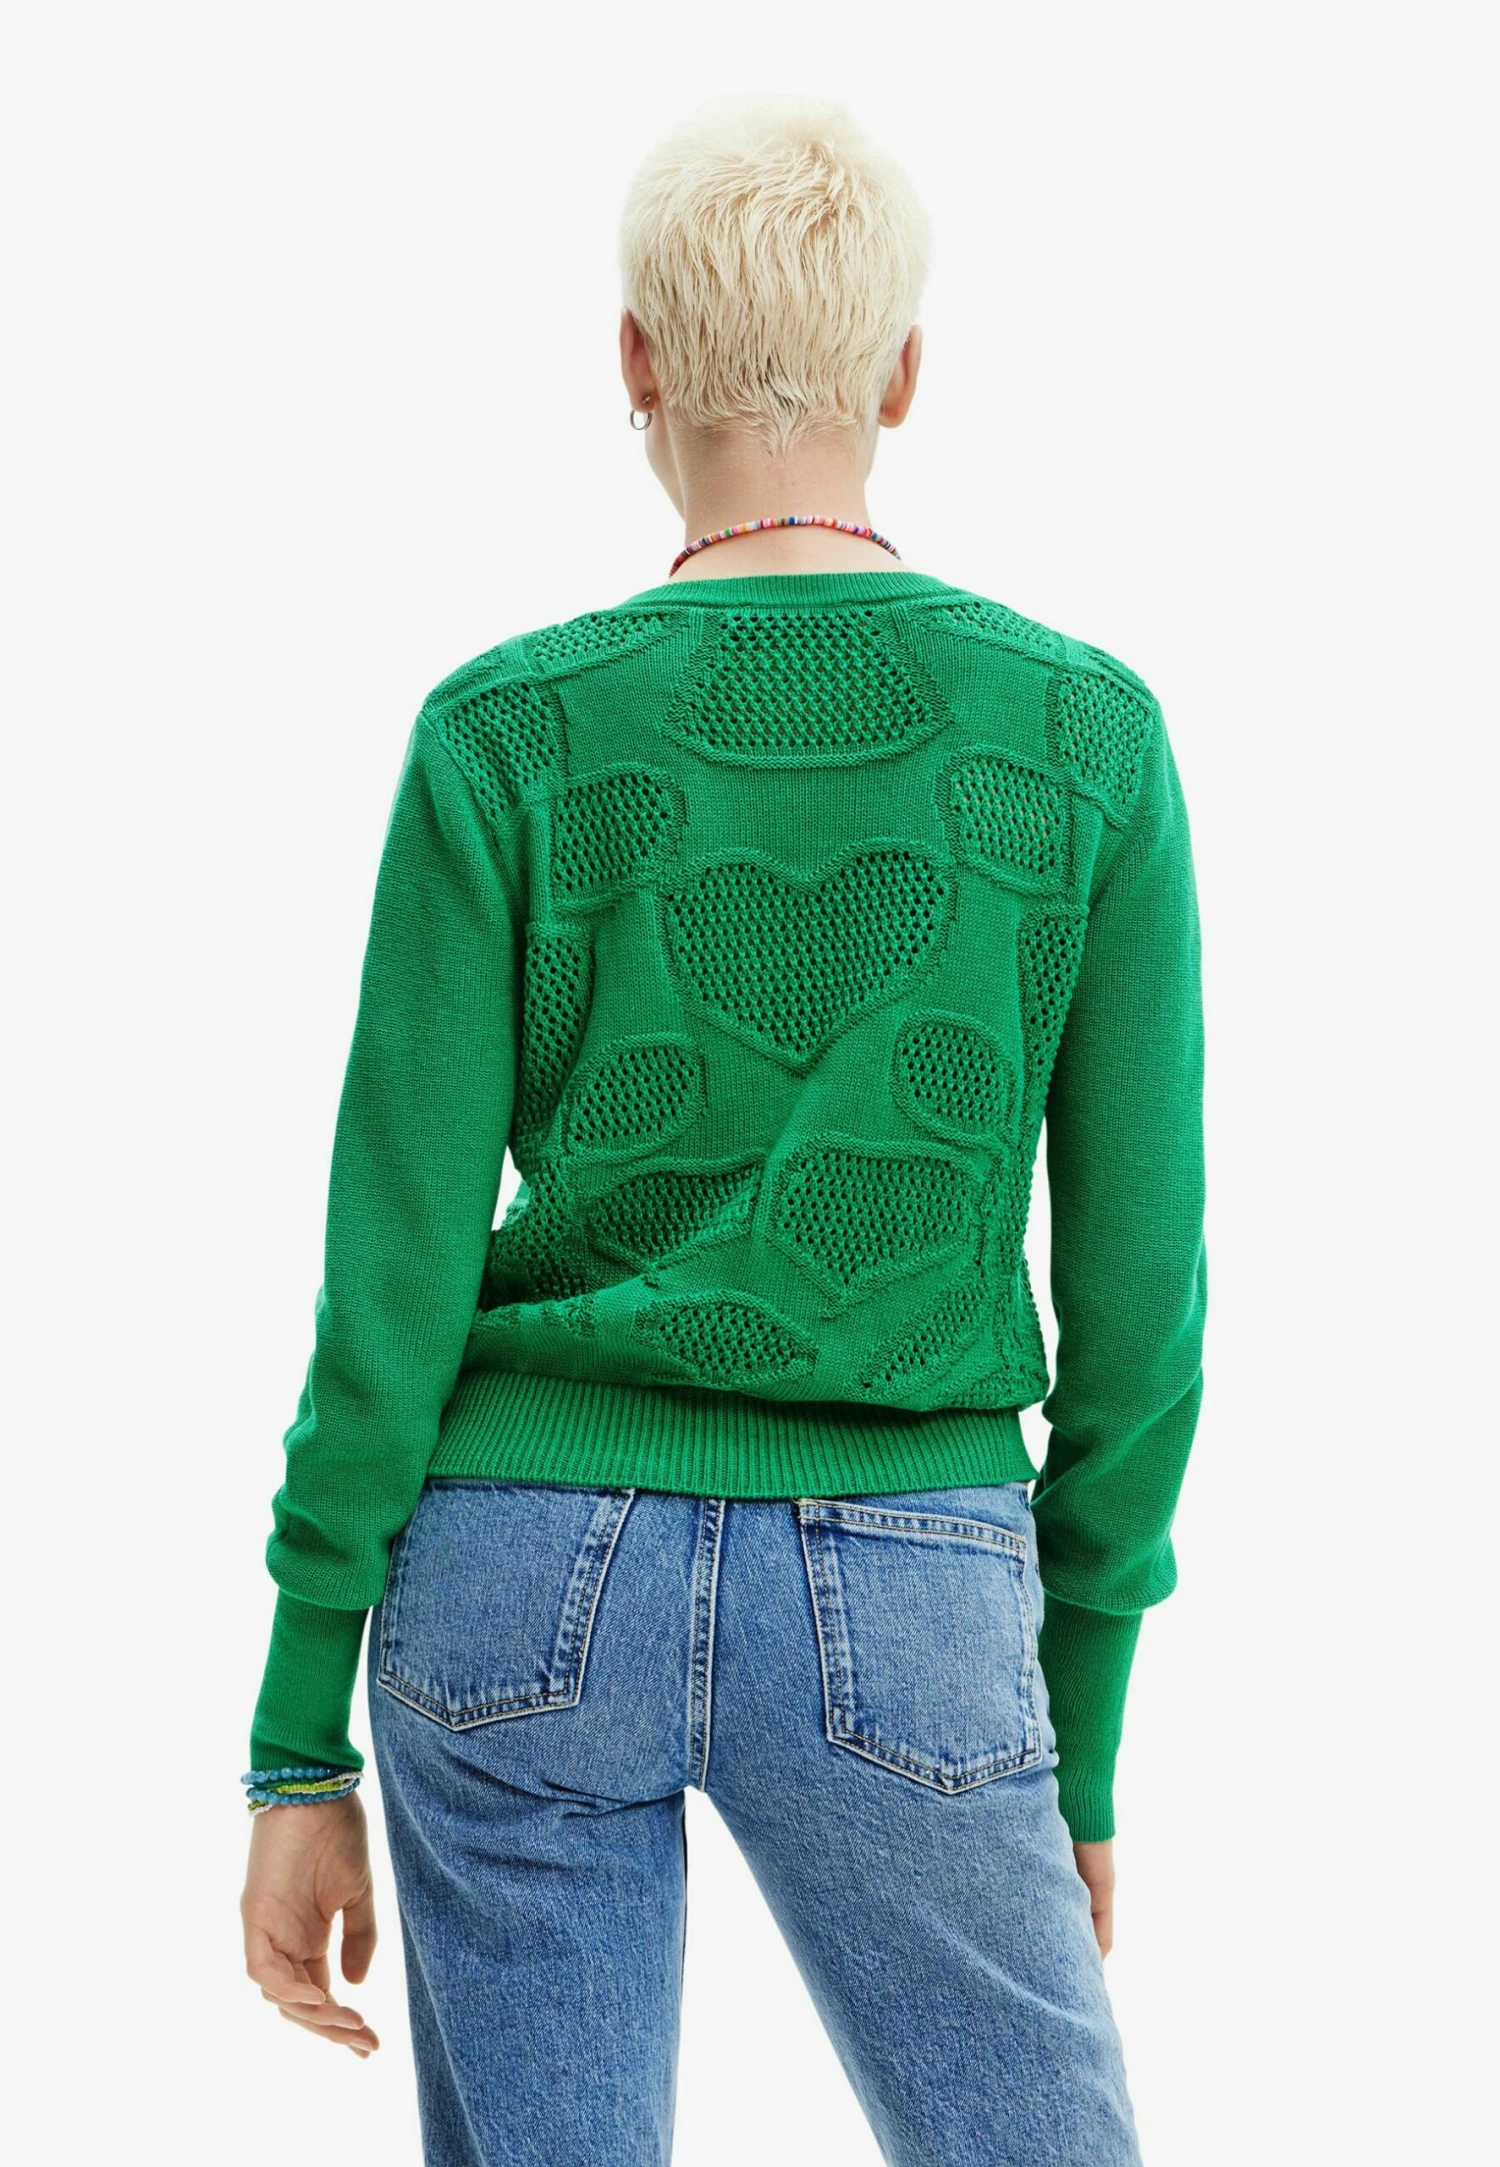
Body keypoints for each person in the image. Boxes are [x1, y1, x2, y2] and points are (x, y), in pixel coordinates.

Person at [239, 92, 1206, 2167]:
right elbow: (1142, 1312)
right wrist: (1082, 1732)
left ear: (636, 362)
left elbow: (389, 1276)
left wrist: (294, 1734)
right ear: (904, 375)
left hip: (513, 1568)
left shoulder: (499, 733)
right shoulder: (1085, 738)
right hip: (914, 1573)